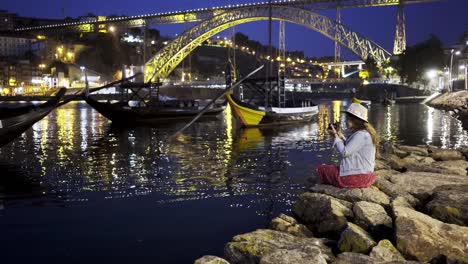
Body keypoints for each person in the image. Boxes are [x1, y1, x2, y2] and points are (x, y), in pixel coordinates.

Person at [317, 103, 379, 188]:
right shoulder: (364, 133)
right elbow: (354, 148)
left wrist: (335, 135)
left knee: (321, 169)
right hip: (366, 175)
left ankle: (317, 189)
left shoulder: (360, 135)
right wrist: (339, 137)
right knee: (332, 168)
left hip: (356, 178)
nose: (346, 120)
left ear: (353, 119)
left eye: (347, 118)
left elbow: (344, 152)